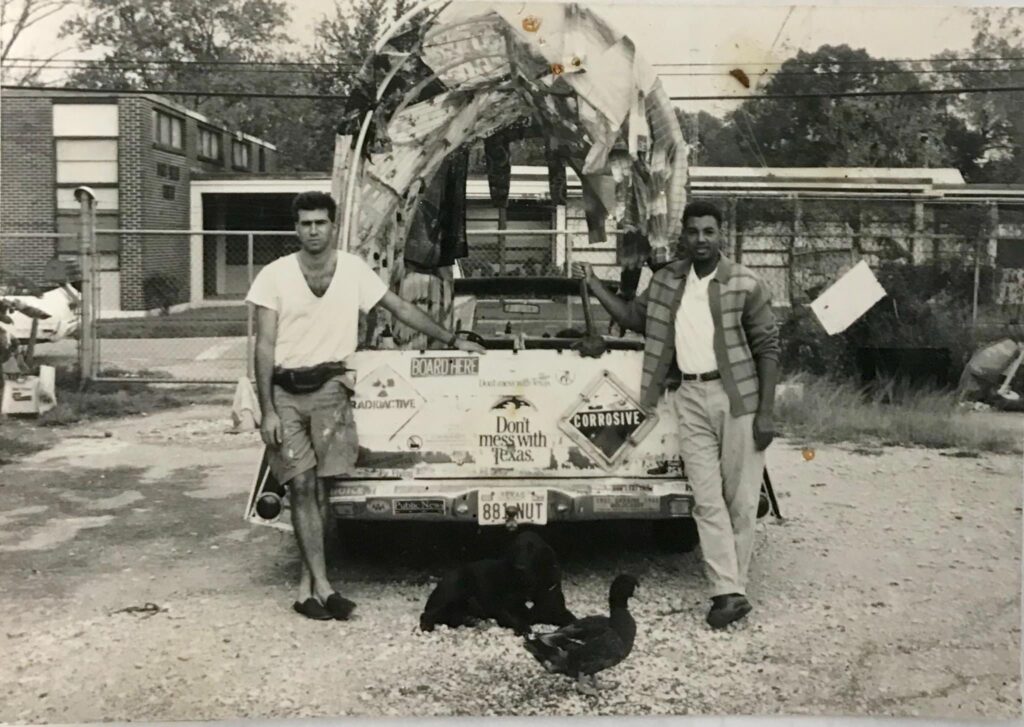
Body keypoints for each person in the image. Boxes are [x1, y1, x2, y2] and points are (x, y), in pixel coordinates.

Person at [246, 191, 485, 621]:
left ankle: (308, 589)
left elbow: (398, 307)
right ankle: (324, 586)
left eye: (320, 223)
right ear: (295, 228)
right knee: (300, 486)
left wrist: (451, 339)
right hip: (284, 391)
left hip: (331, 387)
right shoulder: (274, 276)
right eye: (305, 224)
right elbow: (263, 347)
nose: (313, 231)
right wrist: (266, 410)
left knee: (322, 488)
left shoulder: (353, 271)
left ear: (333, 226)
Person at [579, 201, 780, 629]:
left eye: (709, 231)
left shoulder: (745, 282)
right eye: (693, 232)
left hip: (738, 398)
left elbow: (767, 348)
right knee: (706, 500)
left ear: (720, 235)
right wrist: (595, 285)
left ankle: (732, 588)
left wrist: (766, 412)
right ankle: (728, 593)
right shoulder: (668, 278)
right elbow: (635, 318)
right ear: (682, 236)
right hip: (688, 394)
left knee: (740, 500)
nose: (701, 240)